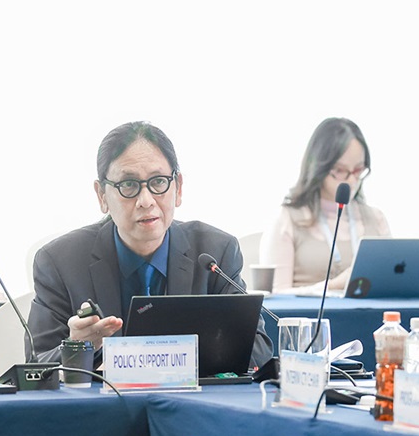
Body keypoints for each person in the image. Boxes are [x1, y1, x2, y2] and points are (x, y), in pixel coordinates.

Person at [26, 121, 273, 369]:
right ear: (102, 196)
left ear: (178, 188)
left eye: (158, 182)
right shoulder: (59, 262)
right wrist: (76, 347)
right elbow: (35, 365)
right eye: (128, 185)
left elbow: (258, 348)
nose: (146, 201)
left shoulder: (215, 252)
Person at [260, 117, 391, 294]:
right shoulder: (287, 219)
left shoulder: (376, 218)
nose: (352, 180)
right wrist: (333, 285)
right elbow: (274, 296)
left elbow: (391, 281)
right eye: (340, 170)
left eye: (358, 170)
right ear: (318, 168)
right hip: (311, 312)